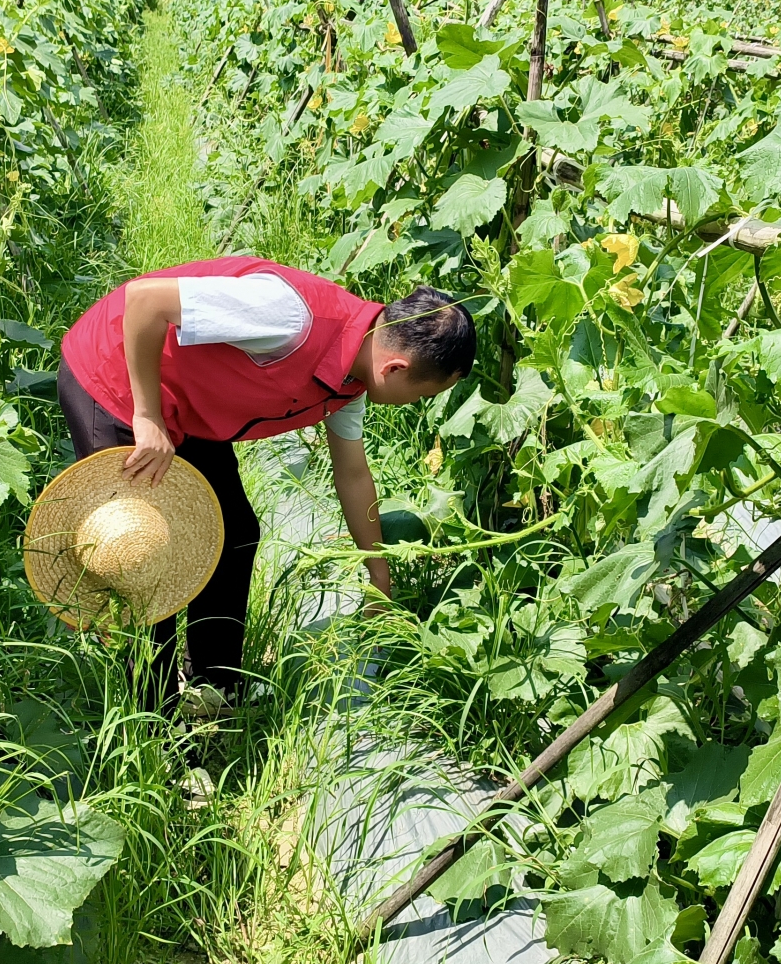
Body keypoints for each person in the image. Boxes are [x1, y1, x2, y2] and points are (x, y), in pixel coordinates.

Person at [57, 258, 474, 706]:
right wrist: (147, 416)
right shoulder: (289, 317)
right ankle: (154, 716)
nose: (415, 404)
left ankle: (215, 687)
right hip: (118, 377)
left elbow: (353, 475)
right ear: (394, 368)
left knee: (232, 532)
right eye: (423, 395)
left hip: (188, 407)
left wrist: (378, 574)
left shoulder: (352, 377)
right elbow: (145, 301)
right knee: (146, 553)